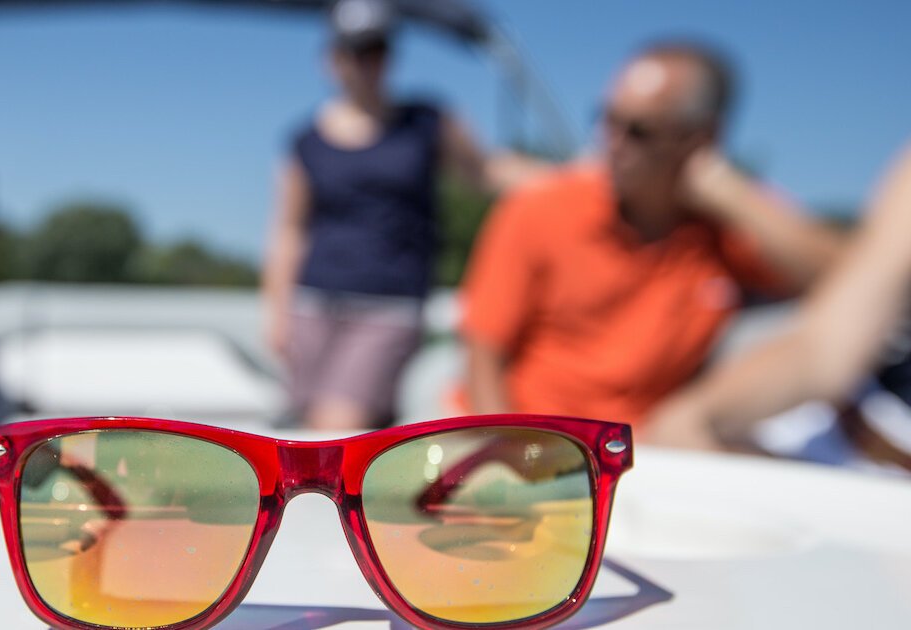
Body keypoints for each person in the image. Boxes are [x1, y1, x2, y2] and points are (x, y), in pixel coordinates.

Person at [458, 41, 844, 426]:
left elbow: (853, 285)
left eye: (639, 131)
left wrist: (731, 193)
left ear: (701, 138)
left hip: (635, 457)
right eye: (607, 119)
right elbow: (483, 357)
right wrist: (506, 458)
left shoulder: (725, 229)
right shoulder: (541, 207)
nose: (612, 143)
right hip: (516, 437)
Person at [262, 0, 550, 431]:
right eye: (355, 51)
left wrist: (574, 178)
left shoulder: (427, 121)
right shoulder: (304, 141)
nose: (367, 63)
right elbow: (289, 230)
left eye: (377, 50)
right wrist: (276, 311)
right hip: (313, 303)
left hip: (389, 306)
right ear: (331, 59)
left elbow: (485, 173)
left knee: (337, 422)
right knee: (308, 423)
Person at [646, 144, 911, 468]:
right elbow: (823, 346)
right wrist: (693, 415)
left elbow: (825, 270)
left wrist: (729, 193)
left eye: (640, 131)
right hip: (840, 439)